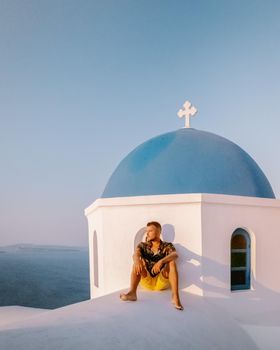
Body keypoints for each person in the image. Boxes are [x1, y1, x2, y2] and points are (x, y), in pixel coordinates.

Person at [120, 221, 184, 310]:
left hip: (160, 281)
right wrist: (136, 261)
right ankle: (132, 293)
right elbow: (136, 254)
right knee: (138, 262)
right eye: (147, 231)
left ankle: (175, 296)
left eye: (150, 231)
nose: (147, 233)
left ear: (158, 232)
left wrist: (161, 261)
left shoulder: (167, 245)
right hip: (147, 280)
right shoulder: (143, 245)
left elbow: (175, 255)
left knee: (171, 262)